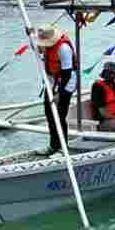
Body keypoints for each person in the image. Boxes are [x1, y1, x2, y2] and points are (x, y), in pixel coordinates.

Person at [36, 25, 76, 153]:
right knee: (49, 114)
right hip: (51, 82)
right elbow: (35, 45)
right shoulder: (45, 45)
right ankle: (53, 145)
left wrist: (59, 93)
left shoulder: (63, 49)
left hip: (66, 83)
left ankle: (63, 148)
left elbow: (67, 73)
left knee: (59, 115)